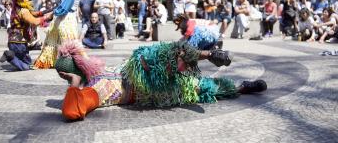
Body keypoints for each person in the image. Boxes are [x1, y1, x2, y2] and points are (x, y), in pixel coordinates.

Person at [55, 40, 267, 121]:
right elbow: (72, 111)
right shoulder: (94, 90)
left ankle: (209, 55)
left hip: (140, 68)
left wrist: (74, 82)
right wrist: (75, 84)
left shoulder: (100, 71)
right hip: (150, 89)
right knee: (199, 88)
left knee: (155, 55)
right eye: (79, 60)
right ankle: (240, 87)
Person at [34, 0, 81, 69]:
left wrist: (52, 14)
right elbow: (61, 5)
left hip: (67, 17)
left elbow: (66, 6)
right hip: (61, 17)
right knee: (51, 39)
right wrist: (47, 13)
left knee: (68, 42)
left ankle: (72, 64)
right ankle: (48, 61)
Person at [0, 0, 52, 71]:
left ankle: (12, 55)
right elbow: (35, 21)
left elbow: (34, 13)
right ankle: (10, 56)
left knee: (24, 62)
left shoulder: (17, 9)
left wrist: (49, 11)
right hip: (19, 43)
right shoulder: (24, 11)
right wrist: (47, 17)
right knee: (27, 66)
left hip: (13, 42)